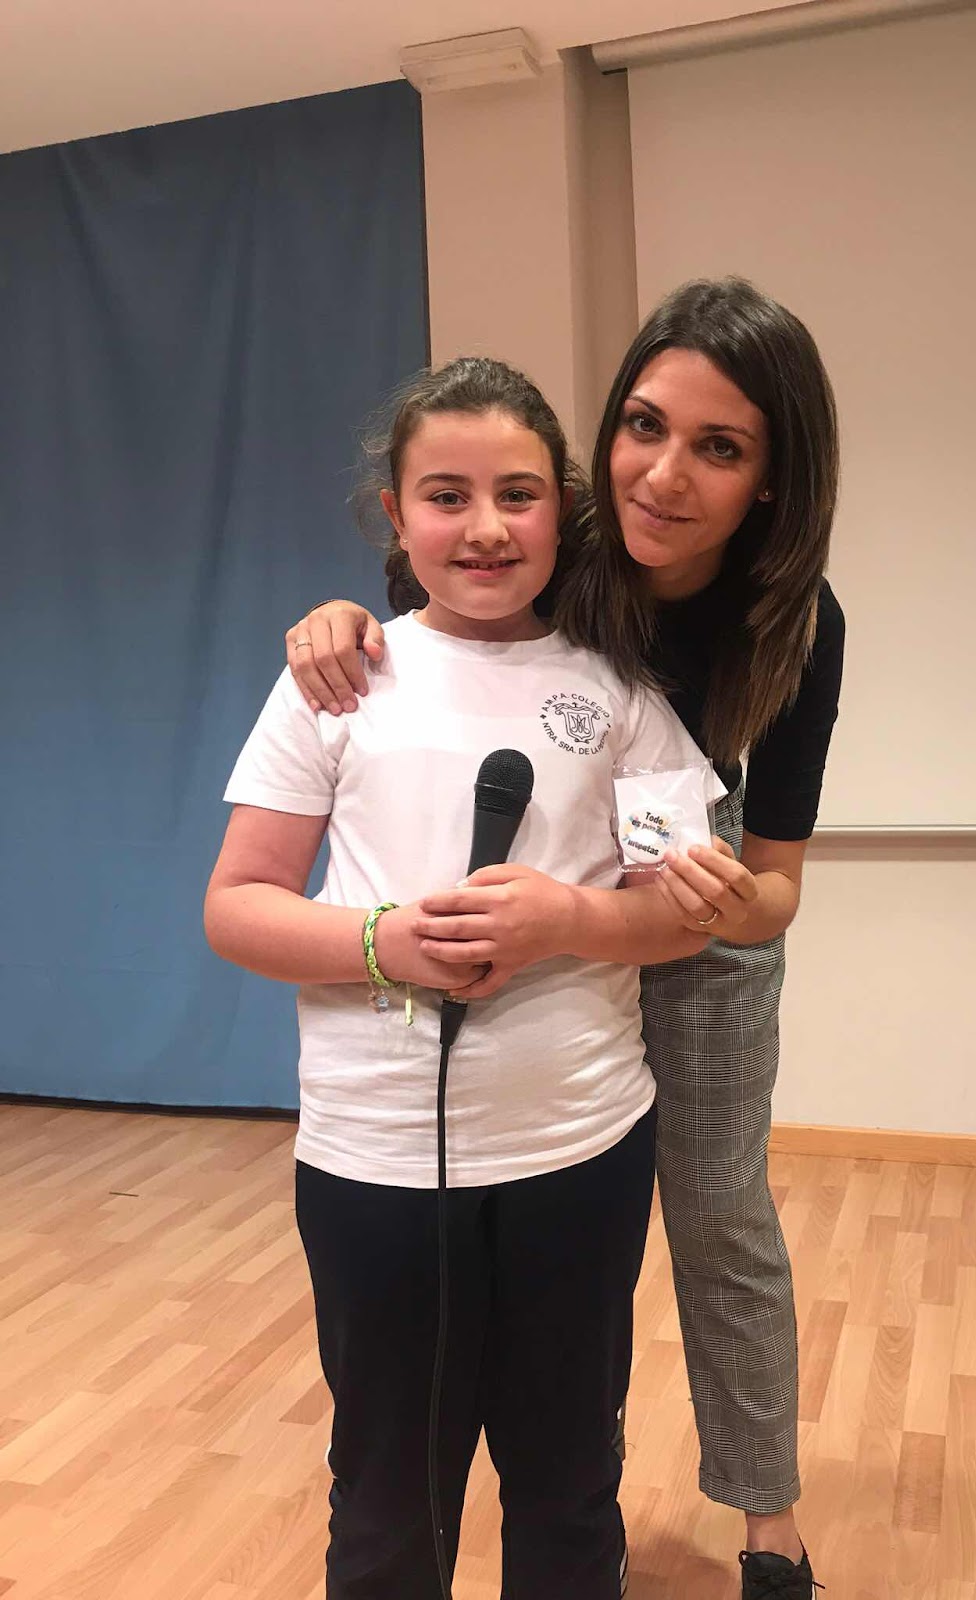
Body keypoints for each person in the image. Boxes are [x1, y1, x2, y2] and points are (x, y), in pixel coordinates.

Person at [282, 278, 846, 1600]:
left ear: (771, 479)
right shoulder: (548, 530)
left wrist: (692, 907)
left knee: (716, 1214)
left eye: (719, 447)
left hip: (704, 893)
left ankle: (768, 1520)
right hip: (545, 886)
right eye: (644, 425)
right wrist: (331, 622)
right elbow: (418, 621)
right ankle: (550, 1478)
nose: (664, 473)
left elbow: (775, 890)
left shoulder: (796, 623)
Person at [205, 356, 736, 1600]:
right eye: (446, 496)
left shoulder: (620, 694)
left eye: (517, 494)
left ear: (564, 508)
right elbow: (238, 905)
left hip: (579, 1152)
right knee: (390, 1494)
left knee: (568, 1481)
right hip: (377, 1163)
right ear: (396, 516)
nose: (485, 527)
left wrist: (565, 920)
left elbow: (681, 917)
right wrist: (380, 943)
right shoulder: (337, 681)